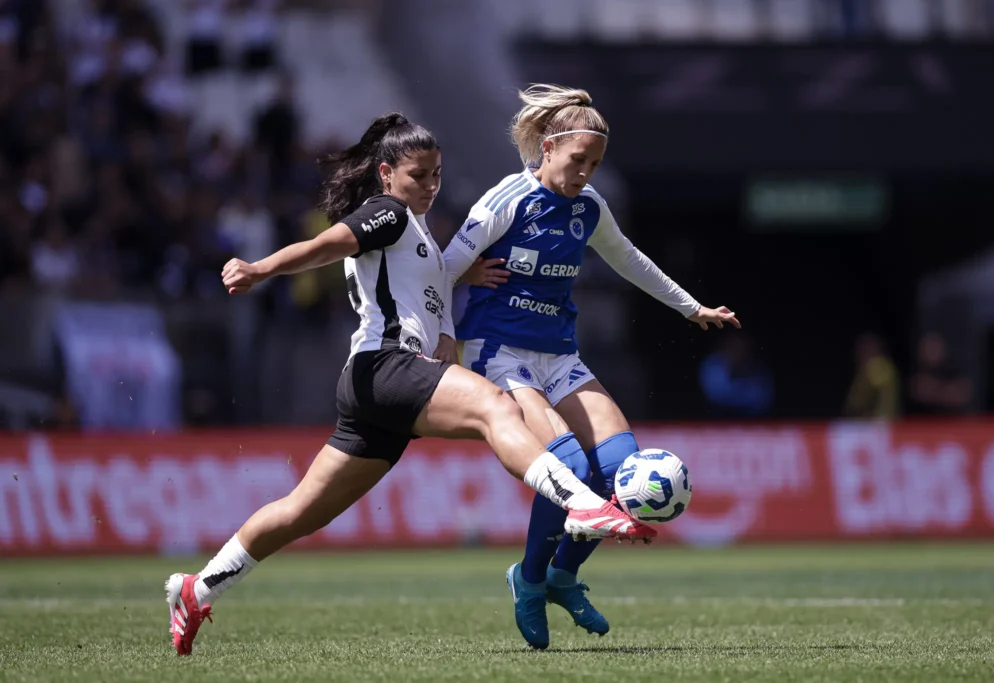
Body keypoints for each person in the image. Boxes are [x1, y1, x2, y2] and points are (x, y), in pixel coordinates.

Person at [164, 112, 656, 656]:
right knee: (497, 406)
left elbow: (426, 284)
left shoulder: (417, 228)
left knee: (299, 511)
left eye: (436, 174)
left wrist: (449, 317)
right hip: (386, 367)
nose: (430, 185)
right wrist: (261, 269)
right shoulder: (388, 212)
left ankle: (197, 588)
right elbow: (329, 243)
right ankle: (581, 503)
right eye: (418, 175)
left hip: (377, 389)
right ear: (386, 174)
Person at [441, 84, 740, 650]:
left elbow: (628, 258)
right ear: (548, 148)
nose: (585, 173)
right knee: (570, 465)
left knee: (620, 466)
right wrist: (452, 302)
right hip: (498, 353)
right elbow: (440, 267)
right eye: (578, 160)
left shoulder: (589, 207)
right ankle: (529, 581)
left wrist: (691, 307)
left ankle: (562, 575)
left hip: (558, 353)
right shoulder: (507, 199)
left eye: (595, 164)